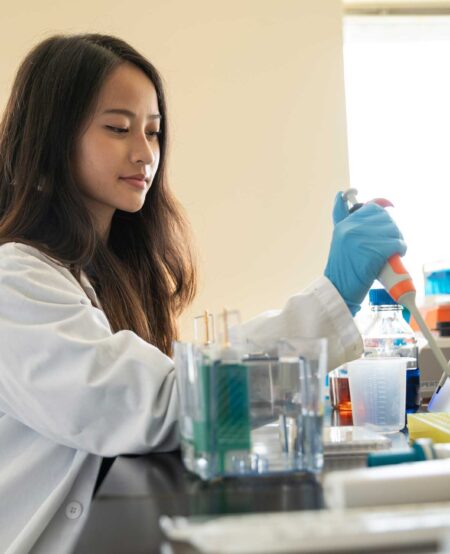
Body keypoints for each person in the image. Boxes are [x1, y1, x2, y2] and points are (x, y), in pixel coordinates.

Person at [0, 34, 406, 553]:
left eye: (153, 132)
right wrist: (330, 298)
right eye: (118, 128)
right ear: (52, 140)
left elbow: (175, 389)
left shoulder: (104, 277)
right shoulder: (15, 282)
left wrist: (332, 306)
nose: (145, 152)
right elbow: (157, 403)